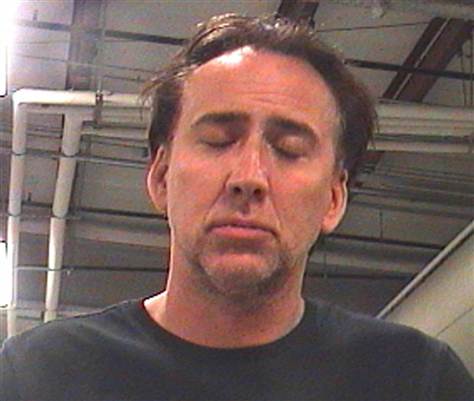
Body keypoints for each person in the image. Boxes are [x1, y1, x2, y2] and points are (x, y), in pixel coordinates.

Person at [1, 13, 473, 401]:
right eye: (217, 141)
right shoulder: (36, 375)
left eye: (288, 149)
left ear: (333, 199)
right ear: (161, 178)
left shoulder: (418, 380)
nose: (249, 177)